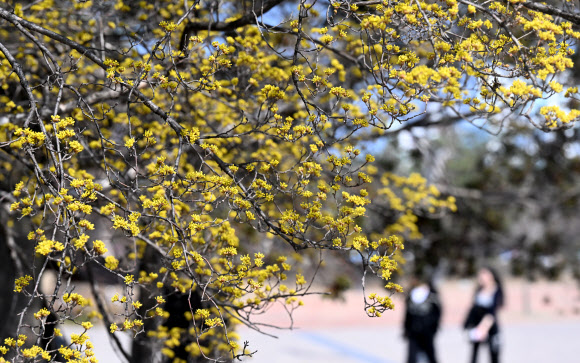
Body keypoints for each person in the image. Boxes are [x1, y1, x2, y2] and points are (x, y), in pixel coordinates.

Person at [463, 266, 504, 363]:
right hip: (477, 327)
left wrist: (483, 328)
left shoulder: (496, 290)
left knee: (494, 354)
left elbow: (493, 311)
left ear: (491, 276)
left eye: (484, 274)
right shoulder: (478, 291)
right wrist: (468, 325)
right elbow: (473, 310)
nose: (481, 277)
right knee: (474, 355)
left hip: (490, 327)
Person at [403, 276, 441, 363]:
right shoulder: (411, 294)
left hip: (427, 331)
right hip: (413, 331)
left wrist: (433, 326)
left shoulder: (432, 295)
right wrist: (406, 328)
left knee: (430, 354)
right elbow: (407, 313)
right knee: (412, 356)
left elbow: (437, 312)